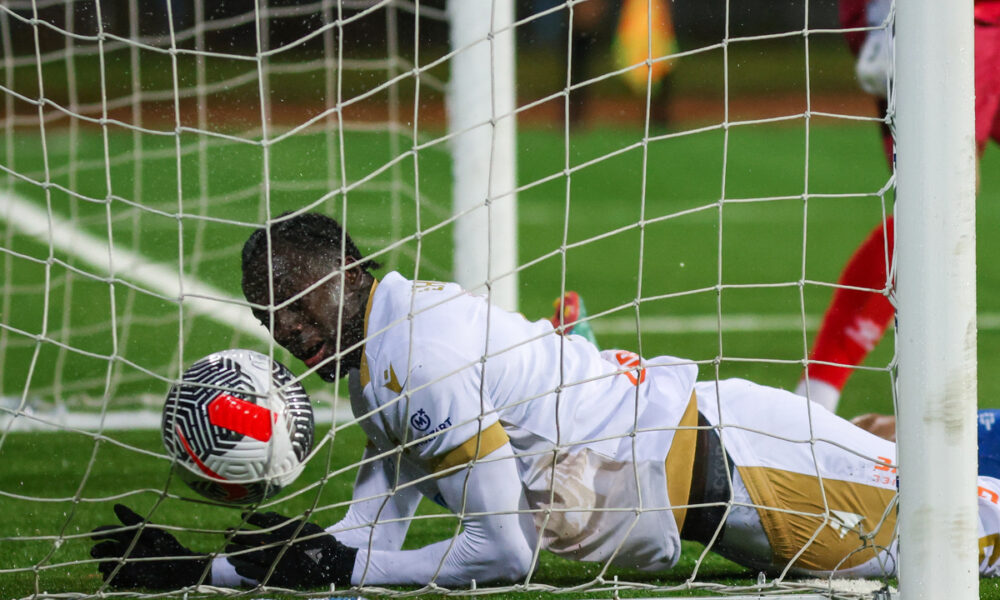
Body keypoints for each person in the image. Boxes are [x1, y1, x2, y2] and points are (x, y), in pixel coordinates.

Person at [91, 213, 1000, 590]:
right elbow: (365, 533)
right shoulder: (381, 359)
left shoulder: (416, 357)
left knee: (970, 538)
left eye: (298, 302)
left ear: (352, 275)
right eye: (269, 316)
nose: (287, 330)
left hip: (756, 475)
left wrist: (336, 567)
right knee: (921, 462)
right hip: (733, 469)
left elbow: (503, 551)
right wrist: (208, 571)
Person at [797, 0, 1000, 412]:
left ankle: (815, 393)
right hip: (943, 17)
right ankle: (814, 397)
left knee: (938, 204)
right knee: (938, 202)